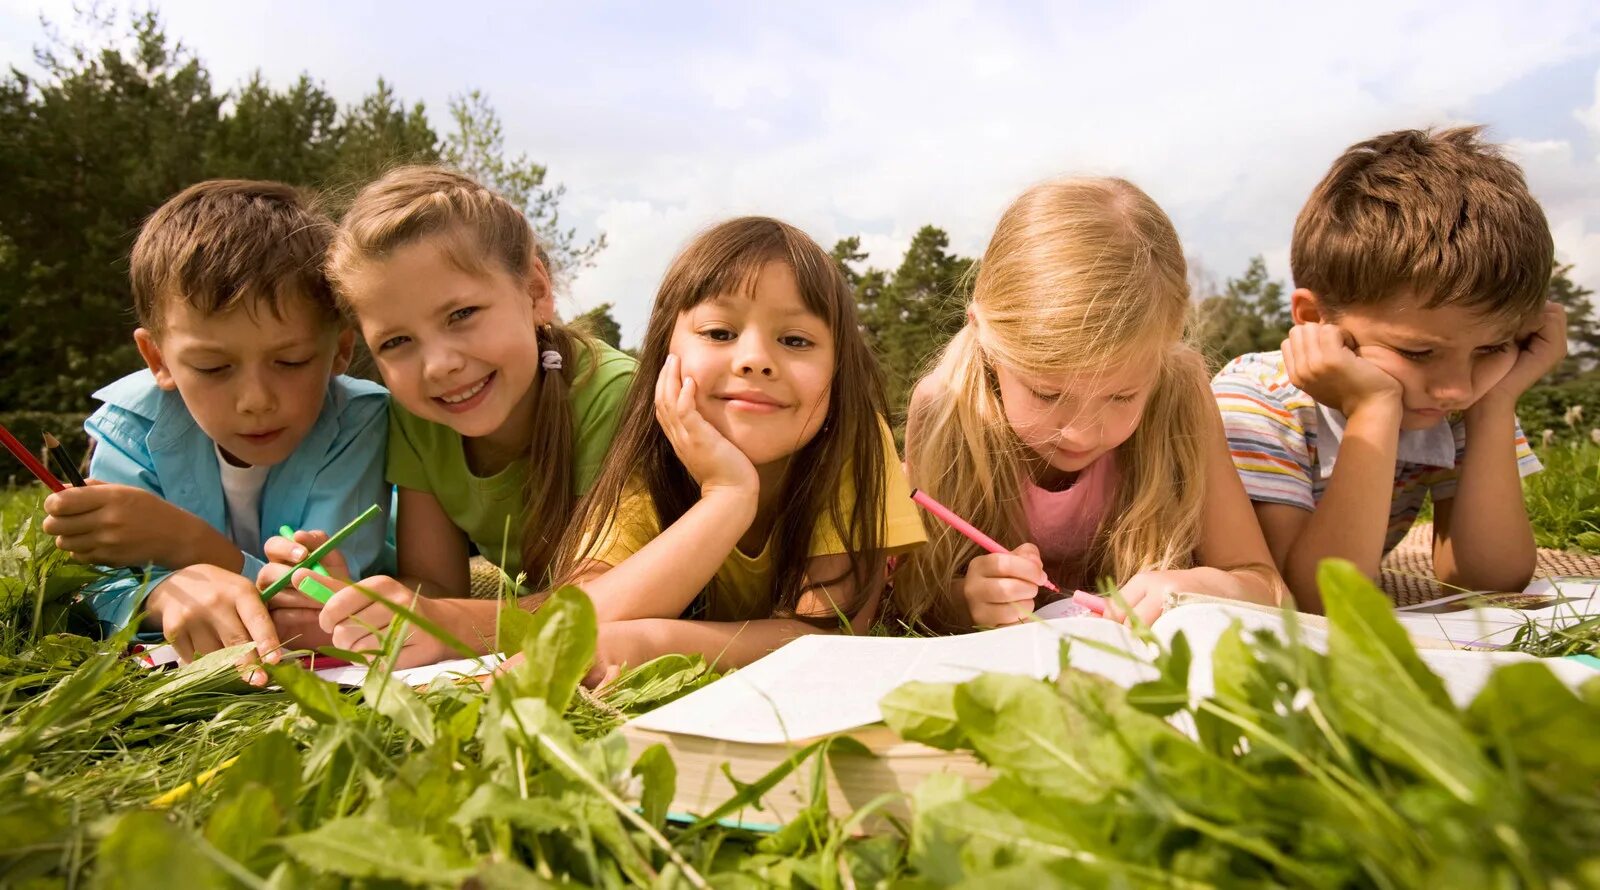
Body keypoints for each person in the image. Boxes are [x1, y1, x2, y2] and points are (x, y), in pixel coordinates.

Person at [260, 166, 634, 663]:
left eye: (461, 315)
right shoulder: (418, 417)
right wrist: (353, 606)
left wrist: (447, 624)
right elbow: (435, 584)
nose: (439, 366)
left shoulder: (612, 395)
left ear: (536, 291)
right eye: (396, 342)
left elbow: (609, 601)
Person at [895, 178, 1284, 630]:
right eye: (1047, 393)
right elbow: (914, 592)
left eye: (1121, 396)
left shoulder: (1181, 392)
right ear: (986, 340)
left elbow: (1268, 587)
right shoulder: (946, 407)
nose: (1080, 432)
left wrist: (1212, 587)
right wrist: (966, 600)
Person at [42, 180, 390, 675]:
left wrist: (188, 545)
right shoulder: (130, 425)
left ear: (340, 351)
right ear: (157, 359)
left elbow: (318, 596)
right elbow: (92, 586)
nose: (256, 401)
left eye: (290, 361)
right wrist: (161, 595)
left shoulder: (360, 420)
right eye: (212, 367)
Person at [1212, 127, 1561, 610]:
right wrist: (1374, 410)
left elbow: (1489, 580)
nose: (1455, 389)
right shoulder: (1256, 400)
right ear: (1315, 320)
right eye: (1417, 353)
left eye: (1492, 348)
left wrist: (1496, 405)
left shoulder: (1468, 395)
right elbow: (1312, 600)